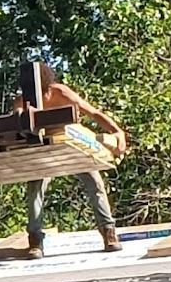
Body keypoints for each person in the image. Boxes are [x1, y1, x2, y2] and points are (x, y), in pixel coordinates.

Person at [14, 64, 127, 259]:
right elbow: (16, 118)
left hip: (72, 143)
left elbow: (93, 113)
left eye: (42, 93)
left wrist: (117, 132)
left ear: (48, 88)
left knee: (96, 184)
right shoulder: (23, 101)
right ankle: (35, 241)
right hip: (44, 148)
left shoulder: (61, 93)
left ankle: (109, 233)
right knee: (35, 188)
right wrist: (20, 116)